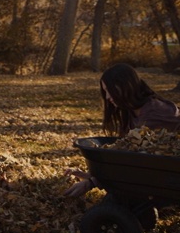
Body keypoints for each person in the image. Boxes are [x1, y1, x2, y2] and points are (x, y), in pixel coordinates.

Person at [64, 62, 180, 197]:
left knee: (117, 198)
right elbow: (127, 157)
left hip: (172, 177)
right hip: (159, 174)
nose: (107, 97)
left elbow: (138, 161)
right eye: (105, 92)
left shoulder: (156, 114)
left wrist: (93, 182)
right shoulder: (132, 112)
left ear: (126, 86)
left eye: (110, 91)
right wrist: (94, 176)